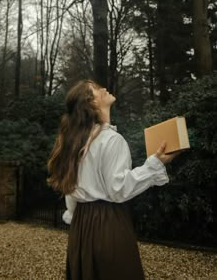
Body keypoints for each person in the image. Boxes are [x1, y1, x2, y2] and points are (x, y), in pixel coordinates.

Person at [47, 79, 180, 280]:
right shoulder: (111, 140)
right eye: (97, 89)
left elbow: (70, 190)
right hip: (108, 224)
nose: (104, 89)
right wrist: (154, 165)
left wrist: (77, 218)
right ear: (91, 103)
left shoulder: (75, 142)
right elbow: (118, 189)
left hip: (80, 227)